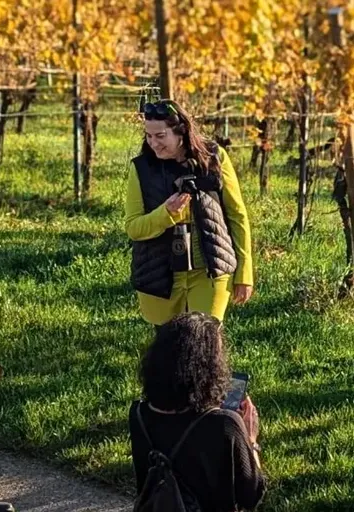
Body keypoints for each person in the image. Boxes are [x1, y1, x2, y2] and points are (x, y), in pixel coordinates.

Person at [125, 99, 253, 325]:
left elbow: (237, 215)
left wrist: (244, 273)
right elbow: (134, 229)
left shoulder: (214, 158)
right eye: (148, 135)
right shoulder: (141, 169)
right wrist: (165, 214)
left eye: (160, 136)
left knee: (205, 344)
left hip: (210, 271)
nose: (153, 143)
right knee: (168, 350)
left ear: (181, 130)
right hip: (160, 275)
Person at [129, 312, 265, 512]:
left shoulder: (139, 414)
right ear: (209, 368)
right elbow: (252, 496)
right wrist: (251, 440)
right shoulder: (225, 423)